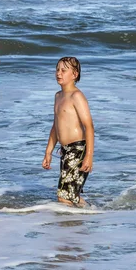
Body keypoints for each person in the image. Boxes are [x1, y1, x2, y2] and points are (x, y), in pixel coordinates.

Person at [41, 57, 94, 207]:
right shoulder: (58, 96)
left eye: (64, 70)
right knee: (69, 194)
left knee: (64, 196)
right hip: (65, 151)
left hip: (78, 149)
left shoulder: (76, 96)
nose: (59, 73)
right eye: (57, 70)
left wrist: (89, 156)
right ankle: (89, 212)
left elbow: (89, 126)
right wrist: (48, 151)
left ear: (74, 74)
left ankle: (72, 224)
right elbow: (55, 126)